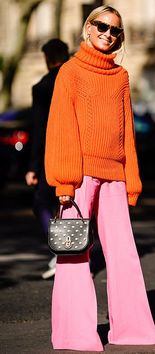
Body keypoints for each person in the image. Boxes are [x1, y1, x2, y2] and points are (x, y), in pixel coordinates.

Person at [45, 5, 155, 351]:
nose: (109, 34)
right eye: (103, 26)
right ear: (88, 27)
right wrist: (64, 182)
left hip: (115, 175)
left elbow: (127, 131)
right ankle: (74, 334)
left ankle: (133, 330)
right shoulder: (69, 72)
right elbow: (61, 128)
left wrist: (132, 180)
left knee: (124, 253)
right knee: (74, 253)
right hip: (78, 175)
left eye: (116, 31)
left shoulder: (121, 76)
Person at [25, 39, 70, 279]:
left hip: (52, 155)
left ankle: (63, 251)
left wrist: (33, 166)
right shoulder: (78, 78)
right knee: (72, 204)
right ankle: (73, 251)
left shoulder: (42, 87)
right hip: (80, 152)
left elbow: (40, 129)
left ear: (47, 59)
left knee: (42, 203)